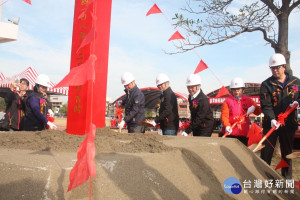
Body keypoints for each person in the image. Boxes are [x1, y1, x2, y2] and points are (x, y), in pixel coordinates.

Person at [260, 53, 300, 179]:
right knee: (266, 152)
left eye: (278, 67)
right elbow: (266, 105)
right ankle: (263, 178)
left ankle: (287, 180)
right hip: (271, 125)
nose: (275, 70)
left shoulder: (296, 82)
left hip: (289, 124)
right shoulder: (266, 84)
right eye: (273, 68)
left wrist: (297, 102)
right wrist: (272, 119)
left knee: (287, 152)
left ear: (284, 67)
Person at [221, 77, 261, 145]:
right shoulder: (227, 101)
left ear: (243, 89)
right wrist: (227, 125)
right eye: (234, 89)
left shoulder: (249, 101)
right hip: (230, 132)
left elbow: (258, 112)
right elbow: (224, 115)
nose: (236, 91)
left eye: (238, 89)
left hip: (243, 133)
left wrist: (255, 107)